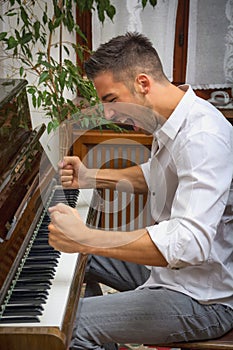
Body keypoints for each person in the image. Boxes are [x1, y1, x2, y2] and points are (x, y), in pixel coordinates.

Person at [48, 32, 233, 350]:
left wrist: (85, 236)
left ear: (143, 83)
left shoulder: (202, 136)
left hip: (206, 298)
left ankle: (92, 334)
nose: (107, 114)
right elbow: (154, 175)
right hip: (173, 275)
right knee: (79, 258)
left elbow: (190, 245)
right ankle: (105, 336)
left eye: (111, 100)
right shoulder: (173, 118)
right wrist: (90, 177)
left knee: (68, 328)